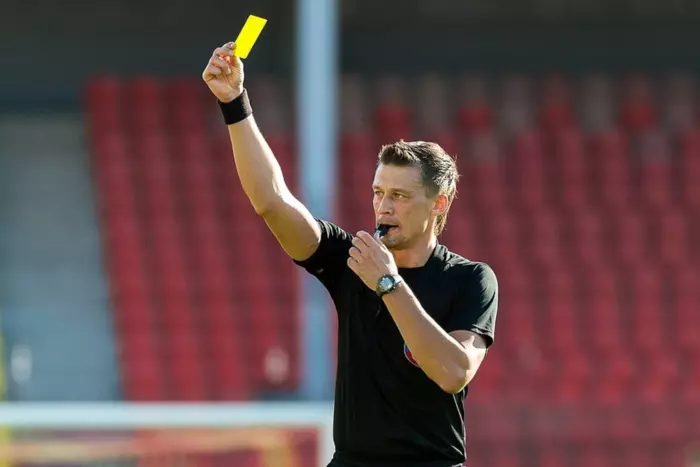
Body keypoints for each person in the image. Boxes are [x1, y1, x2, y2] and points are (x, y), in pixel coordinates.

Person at [202, 42, 499, 467]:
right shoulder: (351, 260)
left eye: (400, 196)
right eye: (378, 192)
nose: (383, 207)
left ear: (439, 203)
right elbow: (272, 200)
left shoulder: (470, 279)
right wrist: (234, 103)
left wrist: (388, 284)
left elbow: (454, 372)